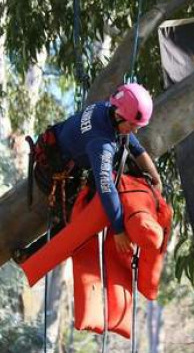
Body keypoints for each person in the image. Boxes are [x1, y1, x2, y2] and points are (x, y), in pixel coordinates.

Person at [14, 82, 161, 262]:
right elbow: (106, 186)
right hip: (55, 173)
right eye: (133, 124)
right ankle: (30, 255)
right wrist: (119, 229)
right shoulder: (102, 143)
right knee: (80, 219)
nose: (136, 129)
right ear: (120, 115)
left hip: (62, 150)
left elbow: (135, 146)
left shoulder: (105, 109)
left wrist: (155, 178)